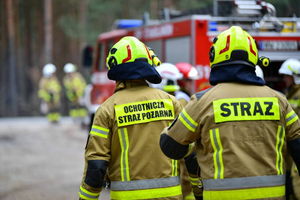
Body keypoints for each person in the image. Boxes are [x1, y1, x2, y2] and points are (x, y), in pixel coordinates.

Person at [160, 26, 300, 200]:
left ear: (215, 57)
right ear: (254, 58)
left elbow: (170, 147)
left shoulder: (203, 101)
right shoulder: (279, 101)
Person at [78, 36, 186, 200]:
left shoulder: (107, 110)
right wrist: (197, 191)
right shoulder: (172, 103)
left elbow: (97, 164)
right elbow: (189, 154)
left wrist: (86, 198)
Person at [151, 62, 203, 200]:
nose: (190, 84)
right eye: (187, 80)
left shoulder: (178, 99)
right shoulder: (180, 100)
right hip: (177, 167)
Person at [278, 58, 300, 200]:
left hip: (296, 143)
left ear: (295, 77)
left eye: (287, 76)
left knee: (296, 179)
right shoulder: (288, 94)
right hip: (289, 146)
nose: (285, 79)